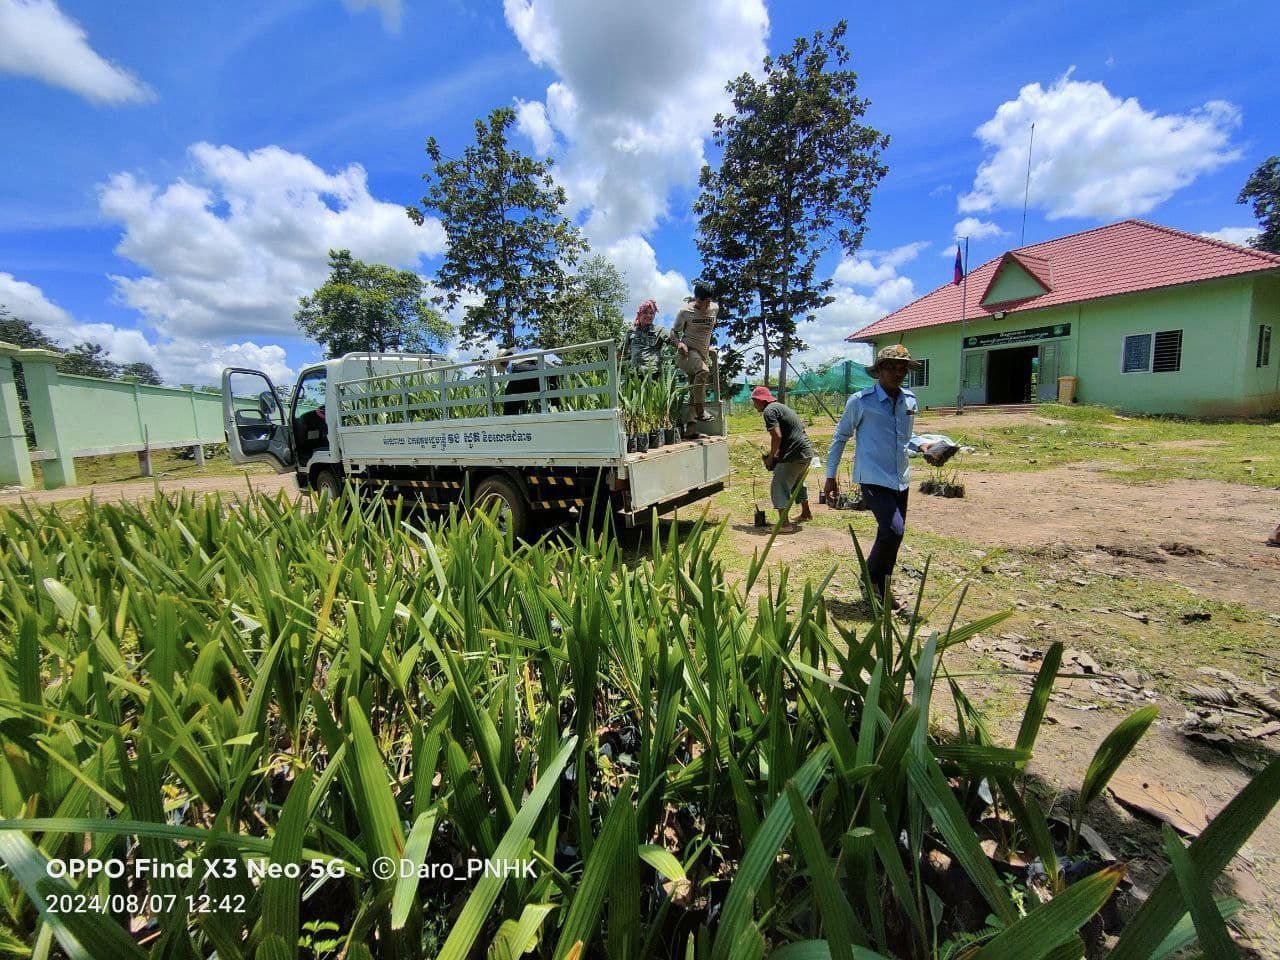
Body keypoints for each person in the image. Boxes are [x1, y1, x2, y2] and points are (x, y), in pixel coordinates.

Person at [823, 344, 934, 612]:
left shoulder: (909, 400)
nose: (898, 373)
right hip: (872, 477)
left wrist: (922, 446)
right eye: (892, 367)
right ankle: (870, 578)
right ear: (879, 371)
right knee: (893, 530)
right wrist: (830, 476)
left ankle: (882, 587)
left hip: (900, 478)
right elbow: (840, 437)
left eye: (903, 368)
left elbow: (906, 436)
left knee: (893, 536)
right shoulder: (861, 401)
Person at [751, 386, 814, 530]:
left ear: (761, 400)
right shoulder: (780, 407)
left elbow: (777, 436)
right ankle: (806, 513)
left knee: (779, 485)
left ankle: (784, 524)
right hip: (805, 452)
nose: (754, 406)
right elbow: (786, 435)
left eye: (754, 402)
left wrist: (771, 457)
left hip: (794, 454)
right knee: (797, 483)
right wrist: (776, 454)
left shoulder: (769, 411)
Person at [672, 280, 718, 427]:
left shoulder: (714, 308)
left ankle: (690, 429)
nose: (709, 305)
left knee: (694, 390)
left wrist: (708, 347)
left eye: (710, 301)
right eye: (706, 302)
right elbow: (673, 332)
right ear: (698, 300)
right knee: (703, 371)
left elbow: (706, 331)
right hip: (687, 354)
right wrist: (679, 344)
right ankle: (700, 410)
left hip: (702, 355)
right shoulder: (685, 312)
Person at [622, 299, 673, 375]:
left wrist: (681, 345)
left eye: (651, 313)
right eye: (645, 312)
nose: (649, 315)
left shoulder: (660, 330)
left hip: (652, 374)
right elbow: (622, 350)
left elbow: (674, 342)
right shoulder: (631, 331)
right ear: (639, 314)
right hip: (634, 374)